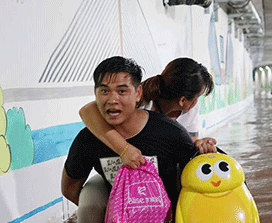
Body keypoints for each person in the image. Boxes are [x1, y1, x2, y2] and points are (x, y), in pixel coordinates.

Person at [61, 56, 196, 223]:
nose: (113, 100)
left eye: (122, 91)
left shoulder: (169, 132)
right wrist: (118, 213)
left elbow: (198, 175)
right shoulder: (88, 139)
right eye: (104, 91)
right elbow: (70, 188)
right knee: (90, 197)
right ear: (95, 93)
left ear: (138, 93)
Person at [79, 57, 217, 169]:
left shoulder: (191, 110)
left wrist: (200, 143)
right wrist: (124, 149)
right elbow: (87, 111)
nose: (196, 102)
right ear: (182, 100)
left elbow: (185, 140)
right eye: (196, 97)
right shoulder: (140, 99)